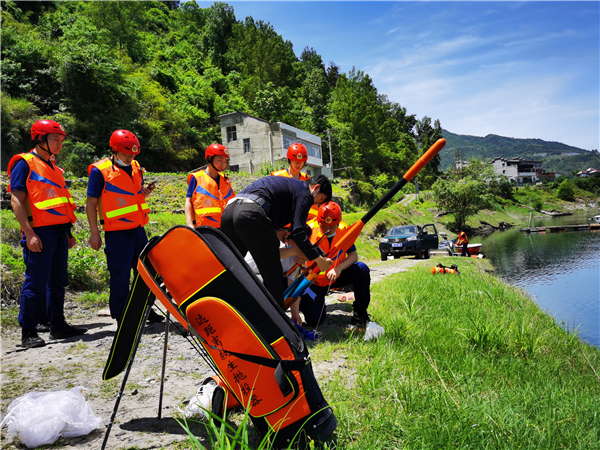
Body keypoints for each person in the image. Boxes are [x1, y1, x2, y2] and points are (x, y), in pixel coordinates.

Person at [7, 119, 86, 348]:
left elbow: (60, 203)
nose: (60, 144)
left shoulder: (54, 168)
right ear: (40, 139)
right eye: (55, 139)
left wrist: (68, 233)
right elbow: (16, 200)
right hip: (39, 232)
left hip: (59, 232)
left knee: (58, 280)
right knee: (36, 282)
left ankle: (58, 326)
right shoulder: (25, 163)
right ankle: (28, 332)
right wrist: (29, 232)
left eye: (61, 140)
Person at [220, 174, 333, 310]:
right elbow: (298, 232)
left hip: (230, 210)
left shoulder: (289, 185)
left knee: (229, 267)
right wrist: (318, 259)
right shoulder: (305, 193)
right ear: (316, 188)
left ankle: (214, 309)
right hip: (250, 214)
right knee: (273, 275)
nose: (314, 204)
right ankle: (276, 328)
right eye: (318, 200)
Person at [86, 129, 162, 323]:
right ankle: (121, 316)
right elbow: (91, 203)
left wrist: (144, 192)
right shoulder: (99, 171)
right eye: (126, 153)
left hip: (137, 230)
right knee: (119, 276)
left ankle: (146, 310)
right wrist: (94, 233)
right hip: (116, 233)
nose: (130, 157)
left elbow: (133, 196)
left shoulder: (136, 167)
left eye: (133, 154)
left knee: (144, 273)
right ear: (114, 150)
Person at [297, 201, 372, 328]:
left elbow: (353, 256)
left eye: (331, 227)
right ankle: (312, 303)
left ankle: (360, 313)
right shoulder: (308, 230)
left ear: (337, 223)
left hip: (336, 277)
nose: (327, 230)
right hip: (313, 282)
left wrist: (338, 268)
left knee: (362, 269)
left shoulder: (343, 232)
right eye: (323, 226)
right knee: (314, 321)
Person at [185, 143, 235, 228]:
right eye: (220, 160)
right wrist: (190, 224)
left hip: (225, 227)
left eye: (225, 161)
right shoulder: (197, 178)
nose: (223, 164)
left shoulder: (225, 180)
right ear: (210, 158)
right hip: (205, 229)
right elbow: (189, 201)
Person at [271, 143, 318, 220]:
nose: (298, 164)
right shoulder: (277, 177)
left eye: (301, 161)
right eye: (295, 160)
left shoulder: (307, 181)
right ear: (289, 160)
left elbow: (313, 208)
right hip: (282, 222)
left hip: (302, 222)